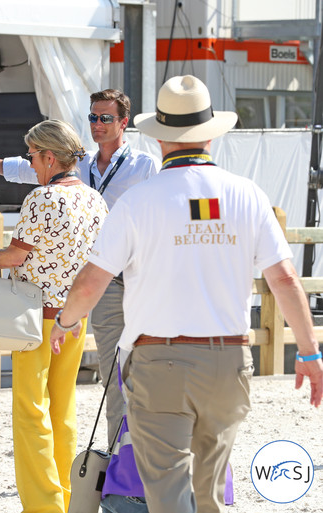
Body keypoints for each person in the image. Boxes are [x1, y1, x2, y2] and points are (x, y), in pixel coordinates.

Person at [50, 75, 323, 513]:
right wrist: (309, 353)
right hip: (229, 361)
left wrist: (64, 323)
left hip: (159, 362)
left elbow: (89, 284)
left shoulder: (139, 201)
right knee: (209, 491)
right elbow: (286, 280)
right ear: (210, 133)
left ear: (160, 138)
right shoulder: (247, 194)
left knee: (167, 493)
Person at [0, 89, 160, 447]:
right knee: (109, 372)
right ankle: (117, 454)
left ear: (124, 122)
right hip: (87, 282)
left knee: (139, 366)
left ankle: (138, 451)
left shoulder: (144, 166)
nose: (97, 124)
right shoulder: (79, 163)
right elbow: (21, 167)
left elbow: (156, 220)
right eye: (92, 117)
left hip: (130, 277)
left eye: (105, 118)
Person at [0, 120, 108, 513]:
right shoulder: (95, 200)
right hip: (74, 318)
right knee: (63, 412)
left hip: (36, 320)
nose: (30, 164)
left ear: (50, 156)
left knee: (31, 412)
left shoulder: (42, 199)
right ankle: (68, 499)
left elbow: (16, 255)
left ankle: (44, 505)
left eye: (32, 155)